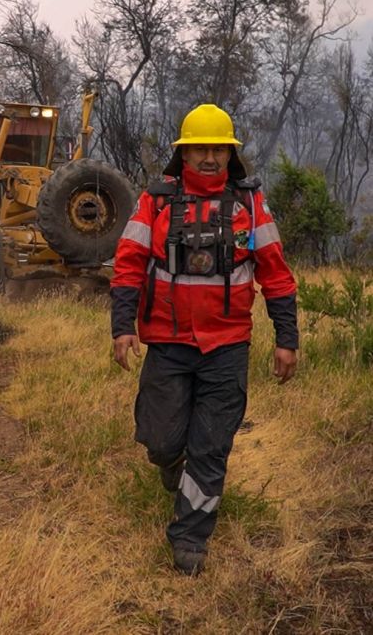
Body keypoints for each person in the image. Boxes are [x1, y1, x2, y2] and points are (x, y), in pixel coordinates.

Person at [110, 103, 298, 576]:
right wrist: (122, 326)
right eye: (200, 149)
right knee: (160, 439)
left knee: (211, 447)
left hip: (227, 348)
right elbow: (129, 263)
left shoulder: (250, 203)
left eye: (219, 148)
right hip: (168, 346)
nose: (210, 157)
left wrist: (286, 338)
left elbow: (276, 274)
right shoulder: (155, 200)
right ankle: (171, 465)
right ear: (184, 154)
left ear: (230, 155)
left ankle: (190, 538)